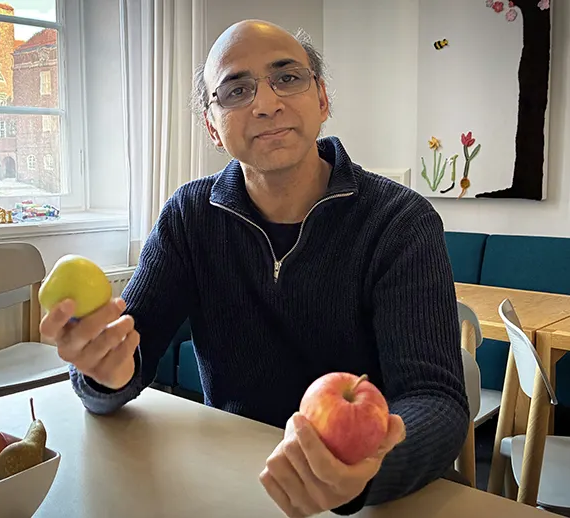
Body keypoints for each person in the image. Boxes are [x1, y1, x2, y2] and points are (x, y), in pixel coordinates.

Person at [40, 19, 469, 517]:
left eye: (287, 78)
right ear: (211, 126)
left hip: (375, 498)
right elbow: (128, 351)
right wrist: (103, 373)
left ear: (323, 99)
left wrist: (364, 471)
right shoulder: (189, 217)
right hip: (232, 483)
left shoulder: (399, 222)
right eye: (236, 90)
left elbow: (435, 400)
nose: (266, 103)